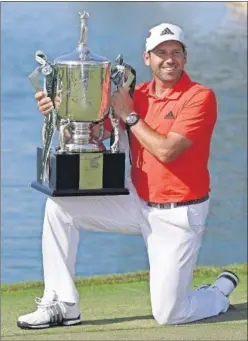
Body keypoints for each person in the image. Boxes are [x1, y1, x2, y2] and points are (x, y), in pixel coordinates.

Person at [17, 23, 239, 329]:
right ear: (147, 59)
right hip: (137, 202)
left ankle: (216, 293)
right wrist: (60, 111)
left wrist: (130, 116)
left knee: (170, 314)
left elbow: (166, 151)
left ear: (185, 58)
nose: (169, 59)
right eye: (161, 53)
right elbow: (97, 134)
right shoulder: (137, 94)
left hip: (179, 213)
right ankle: (62, 303)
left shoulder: (199, 97)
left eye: (176, 52)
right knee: (60, 207)